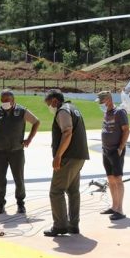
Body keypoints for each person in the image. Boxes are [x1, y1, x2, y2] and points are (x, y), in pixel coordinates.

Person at [0, 89, 40, 214]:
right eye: (2, 100)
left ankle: (20, 203)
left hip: (17, 151)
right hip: (0, 151)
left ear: (13, 100)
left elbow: (36, 122)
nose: (4, 102)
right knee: (0, 179)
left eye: (7, 100)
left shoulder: (22, 111)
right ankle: (0, 204)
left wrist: (29, 139)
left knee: (19, 179)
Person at [42, 89, 89, 237]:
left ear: (55, 101)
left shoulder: (62, 111)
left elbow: (67, 131)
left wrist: (58, 156)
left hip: (68, 157)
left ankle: (60, 226)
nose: (49, 107)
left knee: (56, 191)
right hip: (79, 156)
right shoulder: (74, 108)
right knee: (73, 191)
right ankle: (73, 225)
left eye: (49, 104)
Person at [96, 91, 130, 220]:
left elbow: (126, 130)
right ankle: (114, 206)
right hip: (106, 150)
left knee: (118, 179)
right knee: (110, 179)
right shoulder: (107, 113)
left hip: (116, 151)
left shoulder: (119, 112)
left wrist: (120, 148)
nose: (101, 104)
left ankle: (120, 210)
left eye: (102, 101)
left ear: (109, 99)